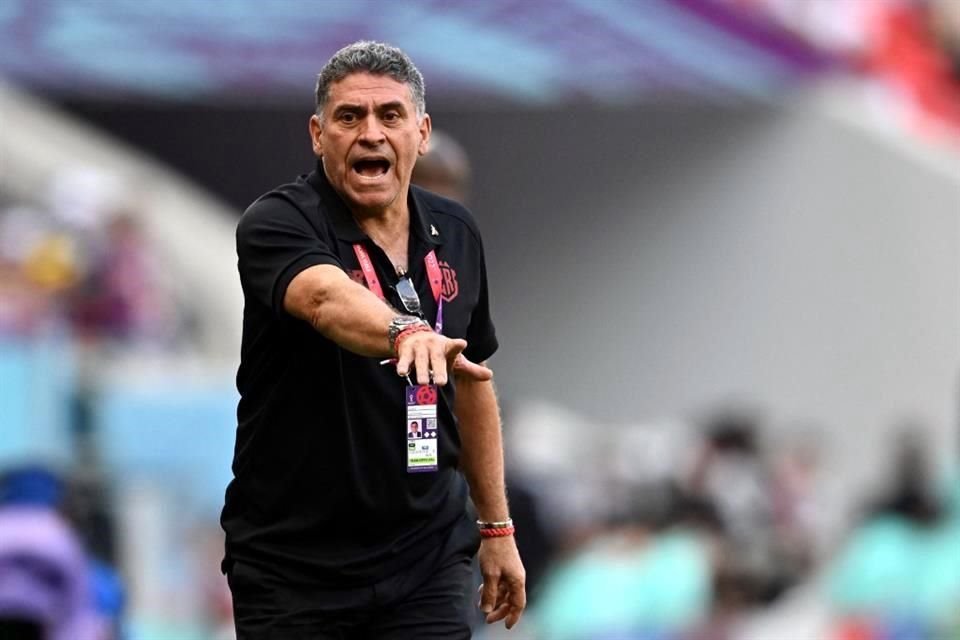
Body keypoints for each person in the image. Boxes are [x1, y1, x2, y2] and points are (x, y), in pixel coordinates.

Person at [221, 40, 525, 639]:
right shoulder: (278, 221)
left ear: (422, 131)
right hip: (294, 565)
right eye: (349, 117)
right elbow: (323, 298)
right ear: (317, 133)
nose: (371, 134)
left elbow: (473, 383)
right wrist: (404, 330)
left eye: (390, 115)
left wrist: (497, 529)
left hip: (426, 556)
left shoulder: (456, 230)